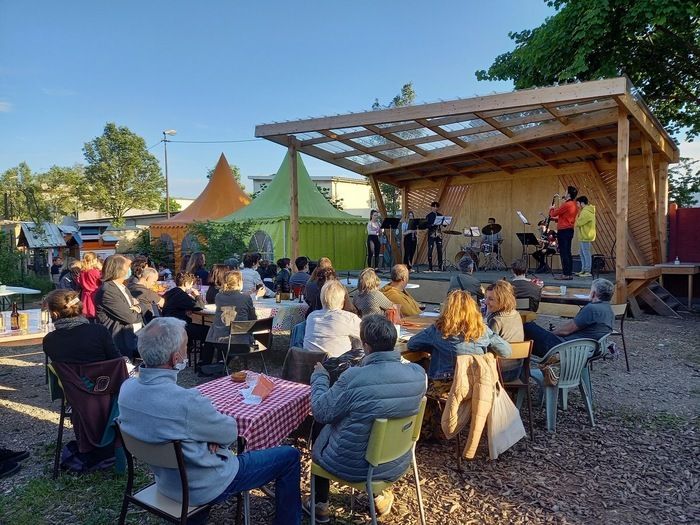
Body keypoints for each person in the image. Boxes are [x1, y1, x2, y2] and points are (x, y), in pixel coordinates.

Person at [118, 317, 301, 525]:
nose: (186, 351)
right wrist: (209, 438)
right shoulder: (187, 402)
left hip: (166, 481)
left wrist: (203, 439)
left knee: (199, 443)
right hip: (205, 485)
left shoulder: (126, 390)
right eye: (186, 346)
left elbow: (163, 430)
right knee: (290, 456)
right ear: (176, 356)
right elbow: (231, 432)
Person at [305, 314, 426, 522]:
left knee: (321, 425)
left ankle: (320, 502)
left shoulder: (354, 377)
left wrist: (320, 377)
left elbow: (321, 411)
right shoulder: (418, 373)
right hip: (397, 460)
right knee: (371, 419)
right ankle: (378, 496)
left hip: (353, 464)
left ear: (366, 345)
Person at [407, 290, 510, 440]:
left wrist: (433, 347)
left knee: (423, 377)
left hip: (447, 386)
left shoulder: (439, 330)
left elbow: (412, 344)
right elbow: (506, 351)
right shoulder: (482, 330)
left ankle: (428, 430)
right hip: (477, 385)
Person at [524, 278, 615, 358]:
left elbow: (565, 331)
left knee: (527, 326)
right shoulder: (609, 310)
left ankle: (517, 361)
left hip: (566, 347)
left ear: (594, 293)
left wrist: (550, 334)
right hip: (586, 347)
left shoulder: (592, 309)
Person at [43, 289, 121, 364]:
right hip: (102, 376)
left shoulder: (49, 340)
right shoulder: (99, 331)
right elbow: (116, 359)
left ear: (55, 314)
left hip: (69, 377)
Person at [202, 270, 257, 367]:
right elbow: (253, 318)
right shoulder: (245, 298)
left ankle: (219, 361)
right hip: (240, 341)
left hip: (219, 340)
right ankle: (226, 361)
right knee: (234, 327)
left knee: (221, 326)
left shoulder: (218, 296)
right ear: (240, 282)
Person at [95, 255, 143, 359]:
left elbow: (133, 309)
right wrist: (137, 309)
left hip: (130, 337)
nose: (129, 270)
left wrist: (137, 308)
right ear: (119, 269)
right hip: (119, 340)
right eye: (127, 267)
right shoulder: (108, 291)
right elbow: (129, 317)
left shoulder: (121, 286)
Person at [304, 280, 362, 357]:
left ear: (321, 299)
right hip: (337, 365)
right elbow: (367, 336)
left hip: (309, 363)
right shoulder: (349, 318)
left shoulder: (311, 316)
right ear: (343, 301)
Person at [549, 186, 578, 280]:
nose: (564, 193)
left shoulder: (566, 204)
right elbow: (565, 217)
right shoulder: (574, 204)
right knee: (567, 252)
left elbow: (553, 214)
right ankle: (568, 273)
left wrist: (551, 208)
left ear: (569, 194)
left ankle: (565, 274)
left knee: (563, 253)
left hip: (563, 231)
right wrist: (556, 219)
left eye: (566, 191)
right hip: (569, 230)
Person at [76, 251, 102, 320]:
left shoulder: (82, 272)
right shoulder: (95, 271)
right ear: (94, 260)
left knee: (87, 315)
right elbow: (102, 281)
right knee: (96, 315)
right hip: (95, 294)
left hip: (85, 295)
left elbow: (79, 283)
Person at [575, 196, 596, 277]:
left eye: (577, 203)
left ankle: (587, 271)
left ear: (582, 203)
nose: (577, 205)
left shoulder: (586, 211)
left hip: (585, 236)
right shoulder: (586, 211)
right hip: (584, 236)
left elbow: (578, 223)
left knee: (586, 254)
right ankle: (583, 270)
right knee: (582, 253)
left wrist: (577, 216)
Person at [425, 201, 443, 272]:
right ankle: (430, 267)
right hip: (431, 234)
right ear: (431, 207)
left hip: (438, 234)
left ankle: (440, 266)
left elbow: (444, 224)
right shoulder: (428, 216)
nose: (435, 208)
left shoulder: (440, 215)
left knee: (440, 250)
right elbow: (426, 225)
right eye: (434, 207)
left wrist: (444, 222)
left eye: (436, 207)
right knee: (430, 250)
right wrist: (431, 225)